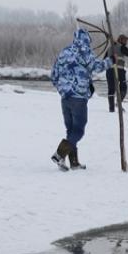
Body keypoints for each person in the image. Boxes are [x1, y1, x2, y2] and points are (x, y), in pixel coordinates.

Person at [49, 28, 110, 171]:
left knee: (71, 130)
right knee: (78, 130)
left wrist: (62, 88)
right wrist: (111, 60)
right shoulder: (85, 51)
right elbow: (98, 67)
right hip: (79, 98)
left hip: (65, 98)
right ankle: (59, 154)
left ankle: (74, 163)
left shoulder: (64, 52)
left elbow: (54, 75)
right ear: (87, 40)